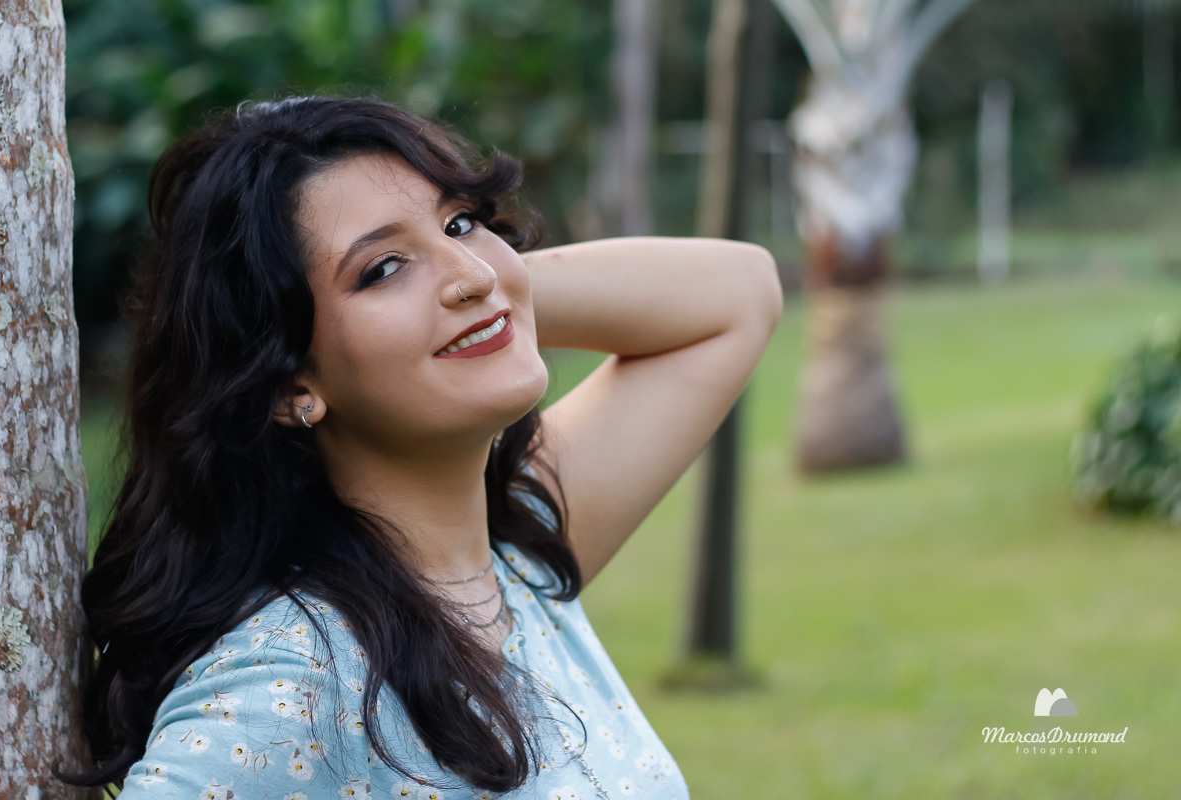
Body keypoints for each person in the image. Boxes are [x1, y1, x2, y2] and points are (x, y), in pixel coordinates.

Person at [60, 95, 782, 799]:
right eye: (381, 269)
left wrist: (500, 295)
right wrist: (464, 304)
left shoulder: (515, 560)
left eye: (462, 222)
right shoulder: (292, 681)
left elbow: (739, 291)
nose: (472, 273)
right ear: (288, 385)